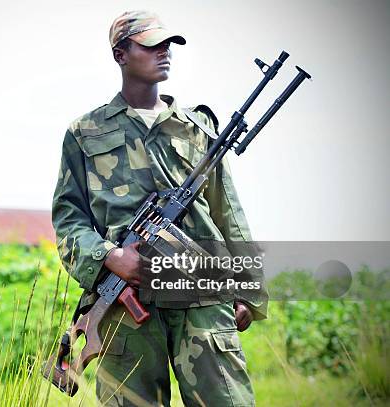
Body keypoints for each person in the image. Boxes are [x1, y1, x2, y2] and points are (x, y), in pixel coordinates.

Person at [52, 10, 268, 406]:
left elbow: (228, 213)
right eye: (151, 45)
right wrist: (110, 257)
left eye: (168, 45)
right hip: (125, 304)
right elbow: (69, 219)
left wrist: (248, 288)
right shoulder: (84, 132)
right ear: (120, 54)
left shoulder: (197, 128)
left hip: (202, 292)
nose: (164, 52)